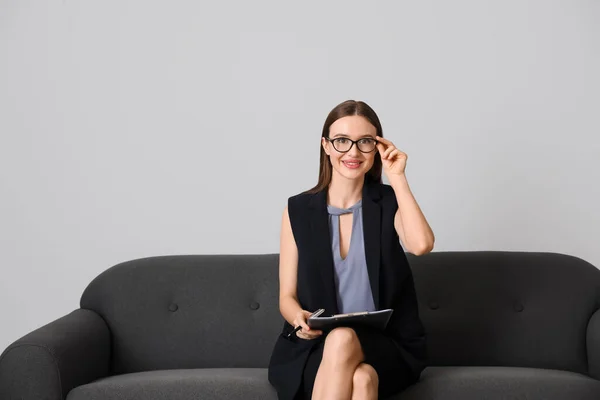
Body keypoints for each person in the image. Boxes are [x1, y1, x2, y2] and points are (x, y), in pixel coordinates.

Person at [268, 99, 435, 400]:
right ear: (326, 146)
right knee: (362, 380)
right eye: (342, 141)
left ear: (378, 148)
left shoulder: (388, 202)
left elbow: (421, 245)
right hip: (313, 346)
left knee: (344, 339)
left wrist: (397, 178)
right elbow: (286, 297)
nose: (353, 152)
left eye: (365, 142)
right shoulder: (298, 209)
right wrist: (298, 319)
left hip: (386, 343)